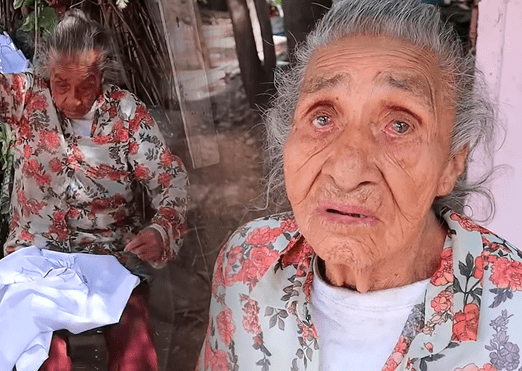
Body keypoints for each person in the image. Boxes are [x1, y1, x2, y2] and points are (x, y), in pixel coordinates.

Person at [197, 1, 521, 370]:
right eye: (322, 117)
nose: (347, 172)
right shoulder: (245, 263)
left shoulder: (513, 308)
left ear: (451, 163)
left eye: (400, 125)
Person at [0, 9, 188, 371]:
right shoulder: (27, 97)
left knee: (134, 348)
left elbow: (170, 180)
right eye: (62, 84)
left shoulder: (125, 113)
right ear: (47, 74)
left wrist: (161, 229)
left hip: (108, 259)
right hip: (36, 262)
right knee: (43, 358)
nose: (75, 99)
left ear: (102, 76)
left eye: (87, 85)